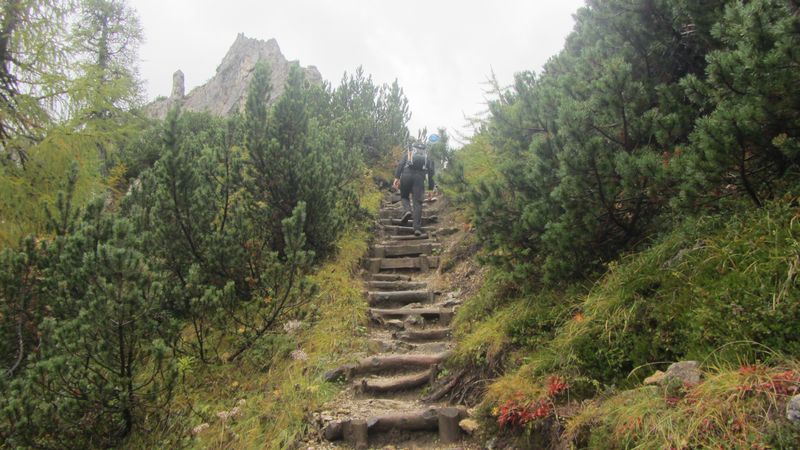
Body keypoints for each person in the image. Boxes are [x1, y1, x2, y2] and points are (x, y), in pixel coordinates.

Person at [392, 141, 435, 236]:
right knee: (417, 202)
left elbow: (400, 165)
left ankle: (407, 210)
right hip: (419, 178)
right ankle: (417, 228)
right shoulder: (427, 159)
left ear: (414, 148)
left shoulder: (409, 154)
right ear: (424, 150)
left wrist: (396, 178)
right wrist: (430, 190)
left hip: (406, 175)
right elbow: (431, 175)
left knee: (404, 196)